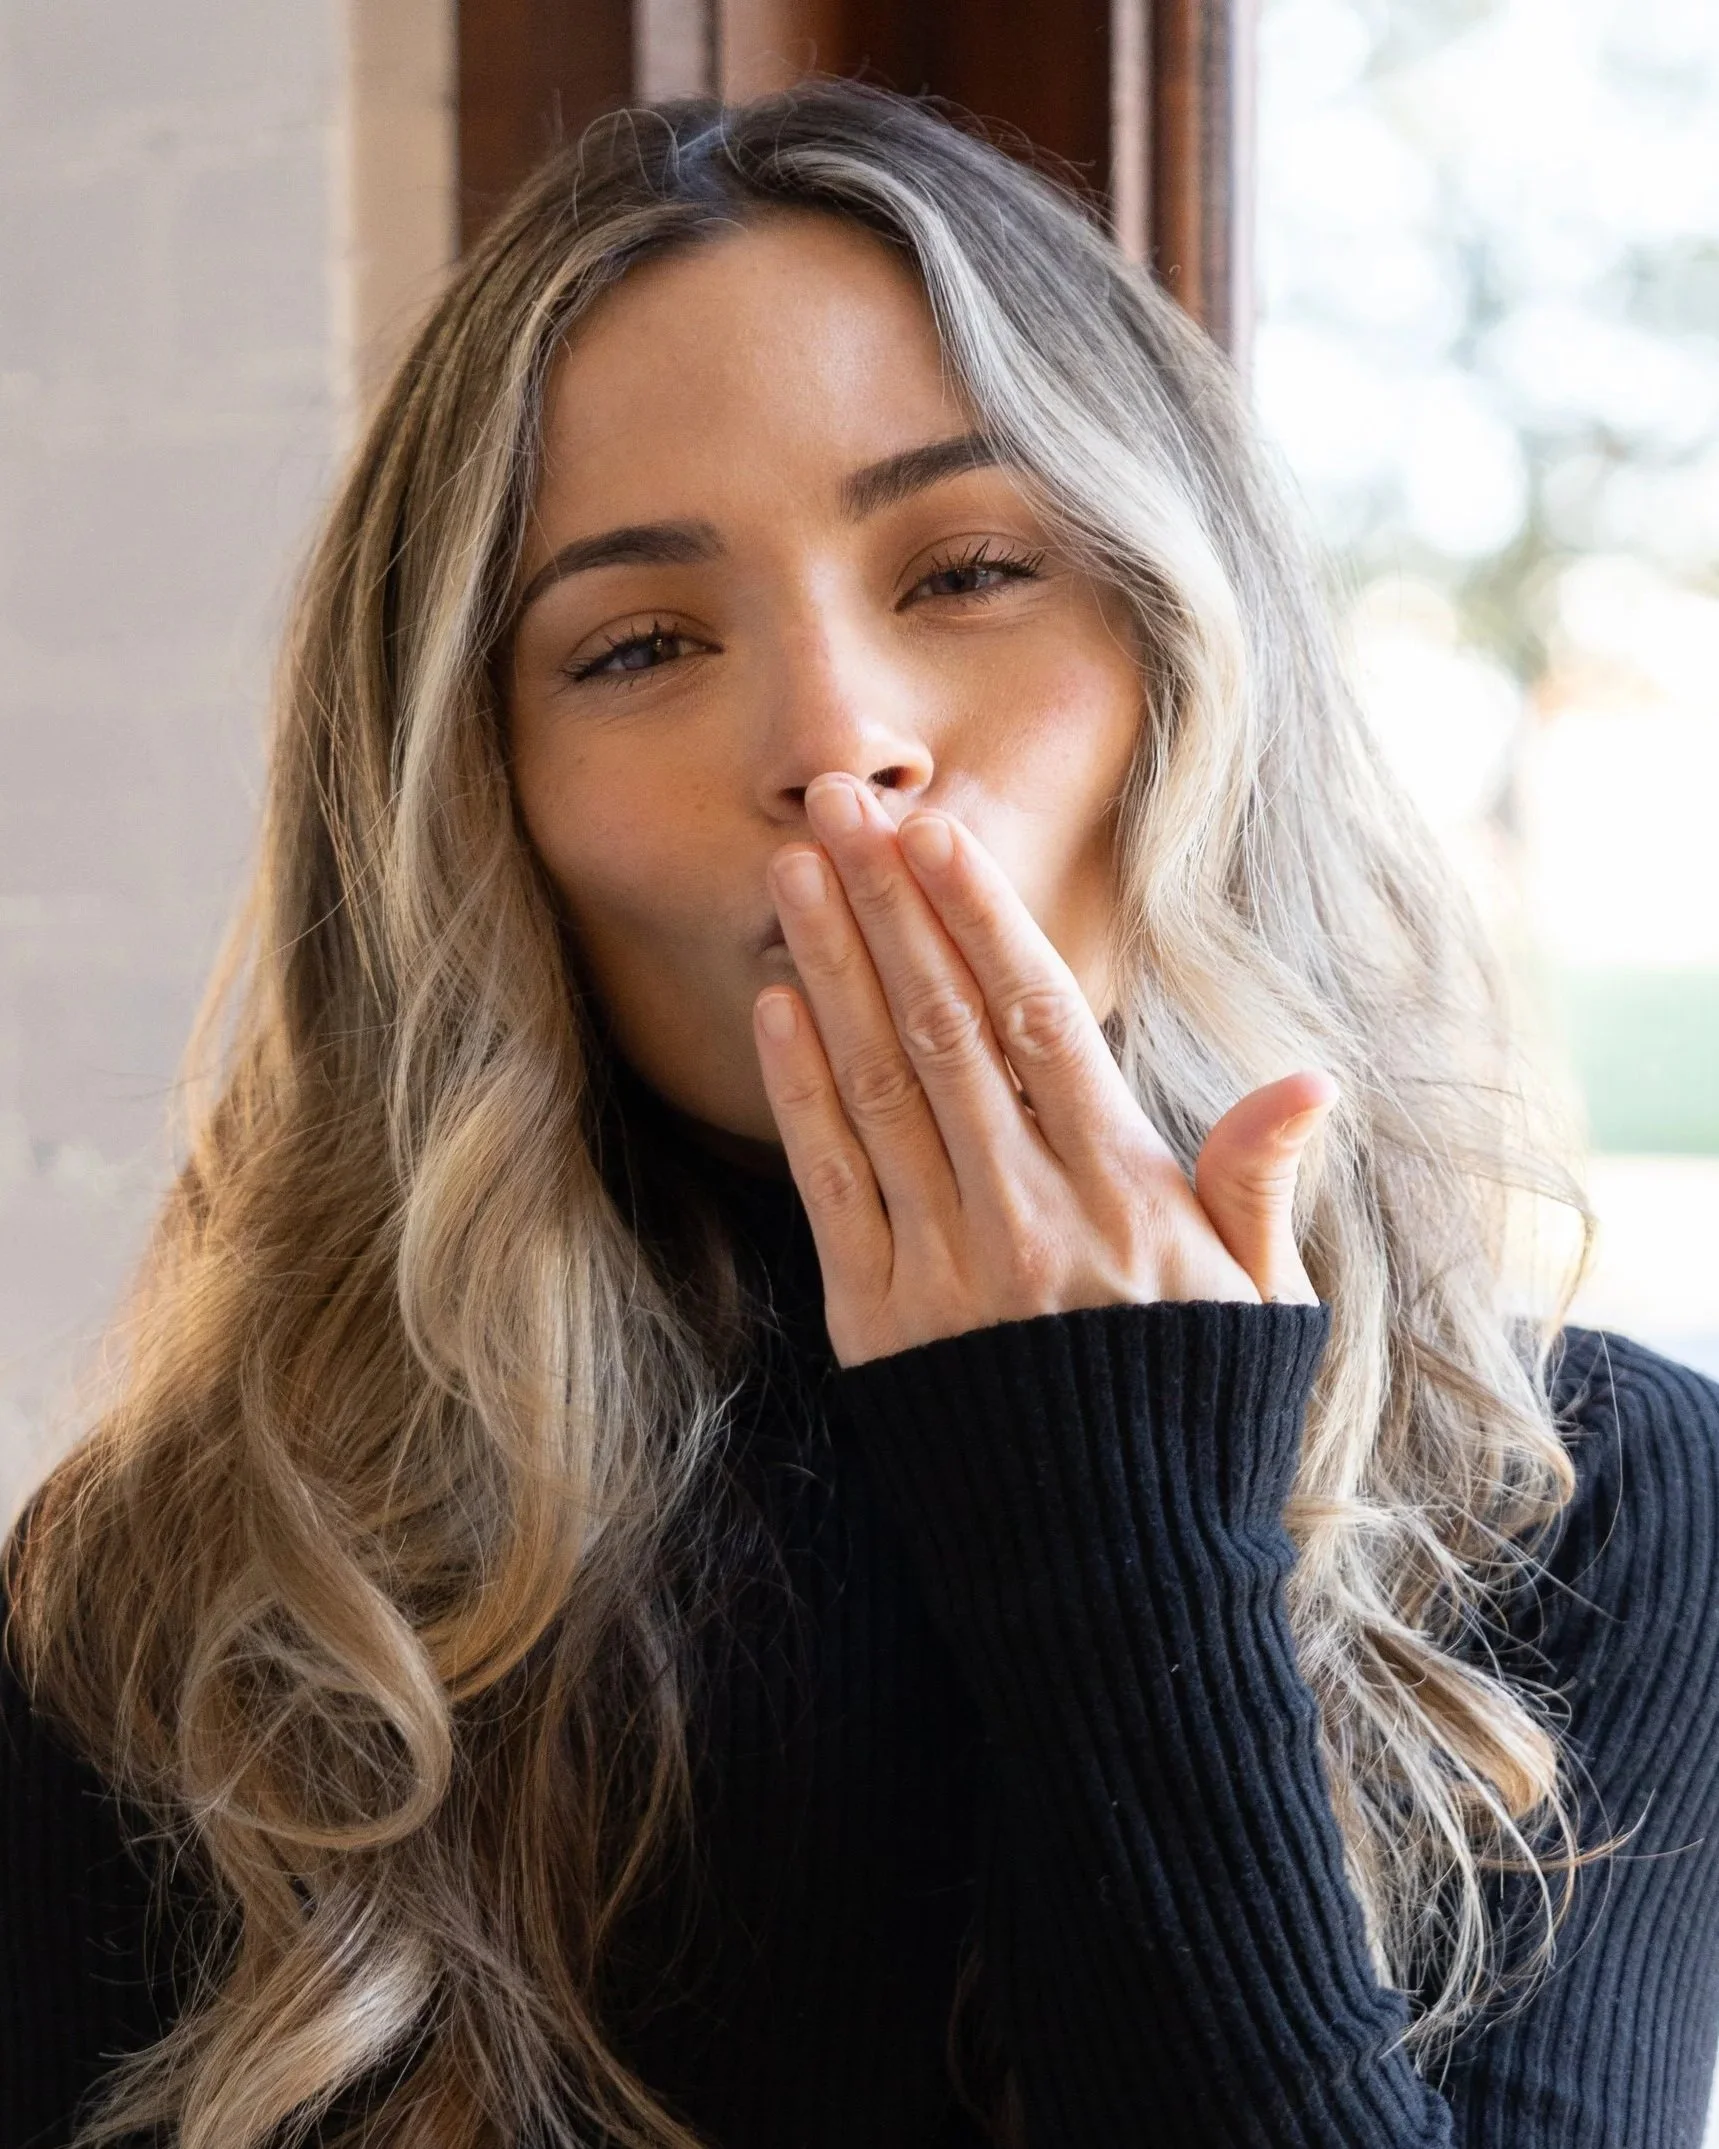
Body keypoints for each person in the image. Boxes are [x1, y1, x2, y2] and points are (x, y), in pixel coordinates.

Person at [3, 81, 1718, 2149]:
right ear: (483, 814)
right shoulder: (203, 1589)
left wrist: (1108, 1511)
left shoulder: (1584, 1499)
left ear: (1195, 653)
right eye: (637, 644)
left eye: (974, 568)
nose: (837, 745)